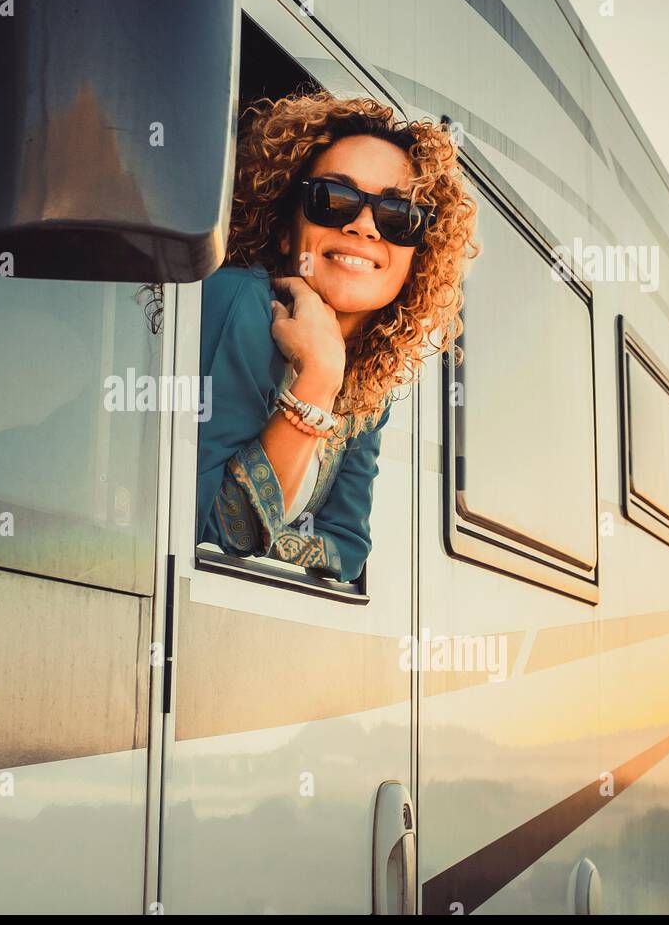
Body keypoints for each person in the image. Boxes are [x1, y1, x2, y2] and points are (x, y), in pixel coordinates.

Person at [196, 87, 479, 582]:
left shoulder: (370, 385)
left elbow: (349, 547)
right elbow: (218, 529)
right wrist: (318, 379)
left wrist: (271, 535)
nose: (365, 226)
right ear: (287, 229)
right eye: (334, 199)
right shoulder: (238, 302)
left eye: (398, 216)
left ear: (418, 256)